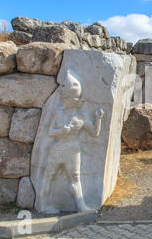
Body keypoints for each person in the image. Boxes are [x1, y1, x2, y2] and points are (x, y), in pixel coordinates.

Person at [40, 71, 104, 213]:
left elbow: (94, 133)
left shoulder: (81, 116)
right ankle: (42, 204)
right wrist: (62, 131)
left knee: (75, 179)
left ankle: (81, 206)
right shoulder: (58, 113)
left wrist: (98, 119)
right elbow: (50, 132)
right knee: (49, 176)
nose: (69, 101)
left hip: (73, 150)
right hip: (58, 149)